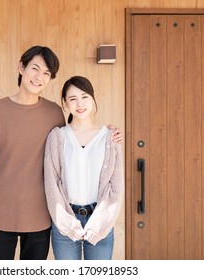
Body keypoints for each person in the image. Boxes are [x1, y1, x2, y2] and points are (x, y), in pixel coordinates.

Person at [0, 46, 121, 260]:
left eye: (46, 73)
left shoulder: (53, 113)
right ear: (21, 68)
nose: (39, 77)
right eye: (35, 69)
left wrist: (111, 135)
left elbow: (74, 141)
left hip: (40, 217)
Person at [44, 76, 124, 260]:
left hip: (100, 220)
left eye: (84, 96)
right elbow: (51, 184)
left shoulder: (110, 137)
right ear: (65, 104)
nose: (79, 103)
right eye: (72, 99)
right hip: (65, 220)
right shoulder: (57, 137)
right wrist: (67, 223)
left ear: (93, 99)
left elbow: (116, 187)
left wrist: (100, 223)